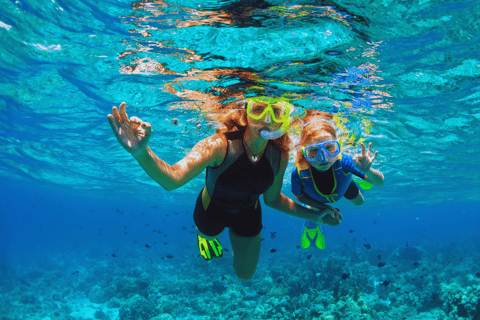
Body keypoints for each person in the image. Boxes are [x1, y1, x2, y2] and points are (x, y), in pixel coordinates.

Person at [107, 97, 341, 280]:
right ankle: (203, 235)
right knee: (209, 235)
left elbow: (272, 200)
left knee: (245, 275)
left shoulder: (280, 154)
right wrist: (141, 153)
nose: (267, 119)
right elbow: (173, 179)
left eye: (276, 112)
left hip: (249, 212)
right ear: (245, 114)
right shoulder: (219, 145)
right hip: (211, 210)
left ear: (283, 118)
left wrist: (316, 216)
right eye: (258, 109)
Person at [291, 111, 384, 250]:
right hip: (316, 198)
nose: (324, 158)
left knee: (360, 202)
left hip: (343, 185)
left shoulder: (344, 161)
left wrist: (367, 171)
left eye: (329, 148)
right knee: (312, 213)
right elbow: (299, 196)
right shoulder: (299, 172)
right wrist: (325, 208)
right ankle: (311, 228)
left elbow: (379, 182)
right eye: (314, 151)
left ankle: (358, 176)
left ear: (337, 147)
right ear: (304, 153)